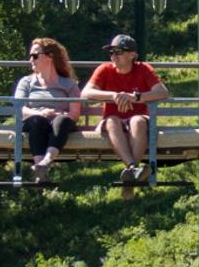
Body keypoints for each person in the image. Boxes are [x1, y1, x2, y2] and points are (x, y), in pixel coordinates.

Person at [84, 33, 172, 186]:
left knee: (137, 121)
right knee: (112, 121)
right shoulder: (104, 70)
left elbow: (163, 92)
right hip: (113, 121)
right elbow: (86, 93)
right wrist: (113, 96)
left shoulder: (143, 69)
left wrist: (135, 97)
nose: (114, 56)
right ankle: (133, 168)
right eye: (111, 52)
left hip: (138, 120)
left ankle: (131, 169)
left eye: (119, 52)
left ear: (132, 55)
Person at [14, 37, 82, 184]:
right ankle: (40, 167)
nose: (31, 60)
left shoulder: (68, 84)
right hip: (35, 122)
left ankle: (45, 162)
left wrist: (59, 115)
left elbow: (74, 114)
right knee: (38, 121)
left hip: (59, 124)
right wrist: (40, 113)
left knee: (62, 120)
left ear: (50, 57)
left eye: (35, 56)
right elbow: (19, 108)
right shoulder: (26, 82)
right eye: (30, 56)